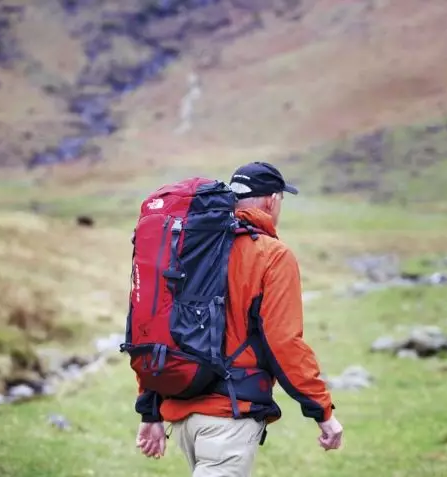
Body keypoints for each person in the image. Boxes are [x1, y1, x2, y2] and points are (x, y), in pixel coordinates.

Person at [134, 161, 343, 476]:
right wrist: (323, 411)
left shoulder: (189, 248)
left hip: (181, 413)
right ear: (272, 199)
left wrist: (150, 412)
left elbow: (154, 326)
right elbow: (283, 342)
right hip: (228, 417)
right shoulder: (272, 255)